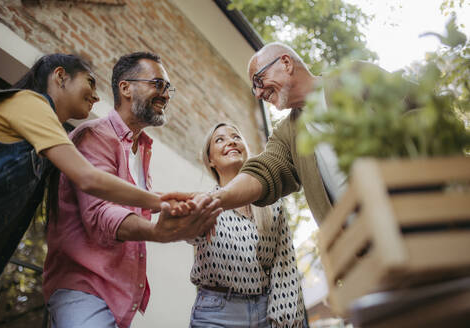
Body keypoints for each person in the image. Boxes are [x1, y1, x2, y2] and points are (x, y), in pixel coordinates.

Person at [0, 53, 208, 284]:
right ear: (60, 76)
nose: (97, 97)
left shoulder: (46, 143)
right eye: (90, 81)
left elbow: (108, 188)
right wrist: (160, 203)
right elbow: (89, 178)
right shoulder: (30, 104)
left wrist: (167, 199)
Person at [42, 52, 221, 328]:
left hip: (117, 296)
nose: (166, 95)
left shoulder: (141, 148)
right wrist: (157, 231)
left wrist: (175, 205)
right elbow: (101, 213)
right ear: (125, 87)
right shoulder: (96, 135)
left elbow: (131, 202)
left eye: (168, 88)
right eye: (158, 84)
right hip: (84, 291)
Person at [163, 42, 411, 226]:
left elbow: (416, 109)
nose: (258, 93)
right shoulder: (287, 134)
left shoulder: (355, 76)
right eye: (254, 89)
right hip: (361, 249)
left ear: (286, 63)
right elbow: (265, 171)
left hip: (416, 213)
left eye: (259, 81)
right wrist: (214, 199)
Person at [189, 122, 307, 328]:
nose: (231, 142)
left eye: (236, 136)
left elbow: (284, 265)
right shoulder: (207, 203)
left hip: (265, 311)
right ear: (211, 160)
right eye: (220, 139)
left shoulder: (272, 205)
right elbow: (189, 233)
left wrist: (286, 320)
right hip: (217, 313)